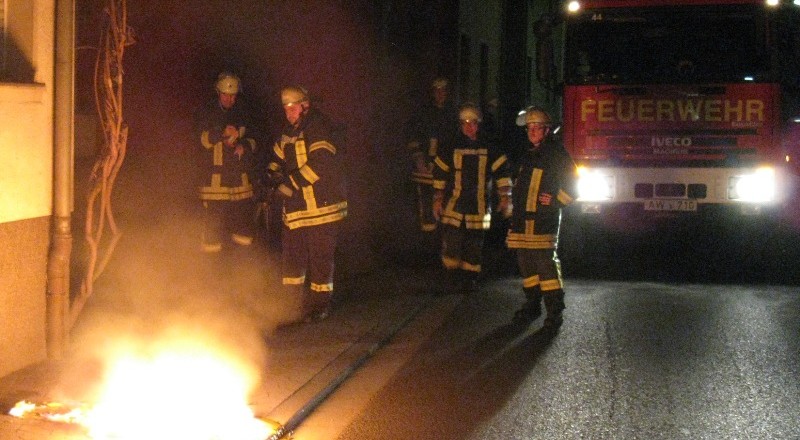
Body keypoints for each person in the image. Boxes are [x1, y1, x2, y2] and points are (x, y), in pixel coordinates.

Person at [267, 86, 348, 322]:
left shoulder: (318, 127)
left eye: (293, 109)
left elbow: (321, 163)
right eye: (286, 109)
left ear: (305, 106)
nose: (289, 114)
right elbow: (276, 158)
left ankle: (319, 306)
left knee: (320, 258)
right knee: (292, 259)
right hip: (297, 209)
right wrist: (270, 176)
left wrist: (289, 184)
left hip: (322, 207)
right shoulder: (288, 132)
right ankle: (290, 306)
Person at [506, 106, 577, 333]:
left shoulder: (556, 154)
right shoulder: (527, 154)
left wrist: (556, 201)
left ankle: (554, 313)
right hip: (522, 222)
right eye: (529, 128)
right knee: (527, 266)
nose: (532, 132)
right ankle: (532, 305)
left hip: (543, 221)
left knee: (546, 268)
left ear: (547, 130)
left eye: (537, 128)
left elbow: (574, 183)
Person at [432, 103, 512, 293]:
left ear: (479, 124)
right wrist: (437, 199)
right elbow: (440, 174)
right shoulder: (450, 146)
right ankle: (451, 279)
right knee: (452, 244)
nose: (469, 127)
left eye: (473, 123)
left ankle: (469, 281)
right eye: (465, 123)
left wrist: (505, 197)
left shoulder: (489, 147)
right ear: (460, 124)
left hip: (479, 206)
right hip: (454, 205)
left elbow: (502, 172)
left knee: (474, 246)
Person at [194, 72, 258, 253]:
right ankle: (212, 267)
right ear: (218, 93)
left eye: (233, 96)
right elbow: (201, 141)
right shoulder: (206, 113)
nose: (230, 99)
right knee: (213, 235)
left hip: (240, 186)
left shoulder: (243, 113)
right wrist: (221, 133)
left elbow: (256, 140)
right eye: (226, 95)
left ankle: (243, 266)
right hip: (215, 186)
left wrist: (244, 146)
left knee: (243, 234)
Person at [404, 77, 459, 257]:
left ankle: (444, 247)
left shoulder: (453, 114)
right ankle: (427, 249)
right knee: (425, 208)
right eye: (437, 90)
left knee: (446, 206)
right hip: (425, 171)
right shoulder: (423, 113)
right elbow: (413, 137)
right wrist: (418, 158)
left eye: (443, 90)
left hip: (446, 171)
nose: (440, 93)